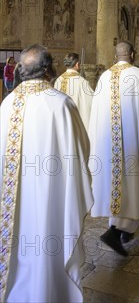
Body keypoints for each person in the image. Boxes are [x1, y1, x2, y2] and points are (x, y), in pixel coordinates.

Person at [0, 44, 93, 303]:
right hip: (51, 198)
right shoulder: (60, 104)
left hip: (12, 203)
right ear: (48, 70)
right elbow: (80, 150)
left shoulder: (7, 104)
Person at [88, 41, 139, 255]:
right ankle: (117, 231)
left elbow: (94, 115)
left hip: (108, 145)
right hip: (133, 144)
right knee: (134, 186)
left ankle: (122, 230)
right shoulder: (138, 76)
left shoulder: (104, 77)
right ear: (132, 54)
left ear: (116, 56)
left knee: (118, 184)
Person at [54, 52, 94, 130]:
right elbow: (91, 102)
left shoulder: (58, 80)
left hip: (60, 123)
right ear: (77, 64)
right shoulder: (81, 81)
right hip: (76, 125)